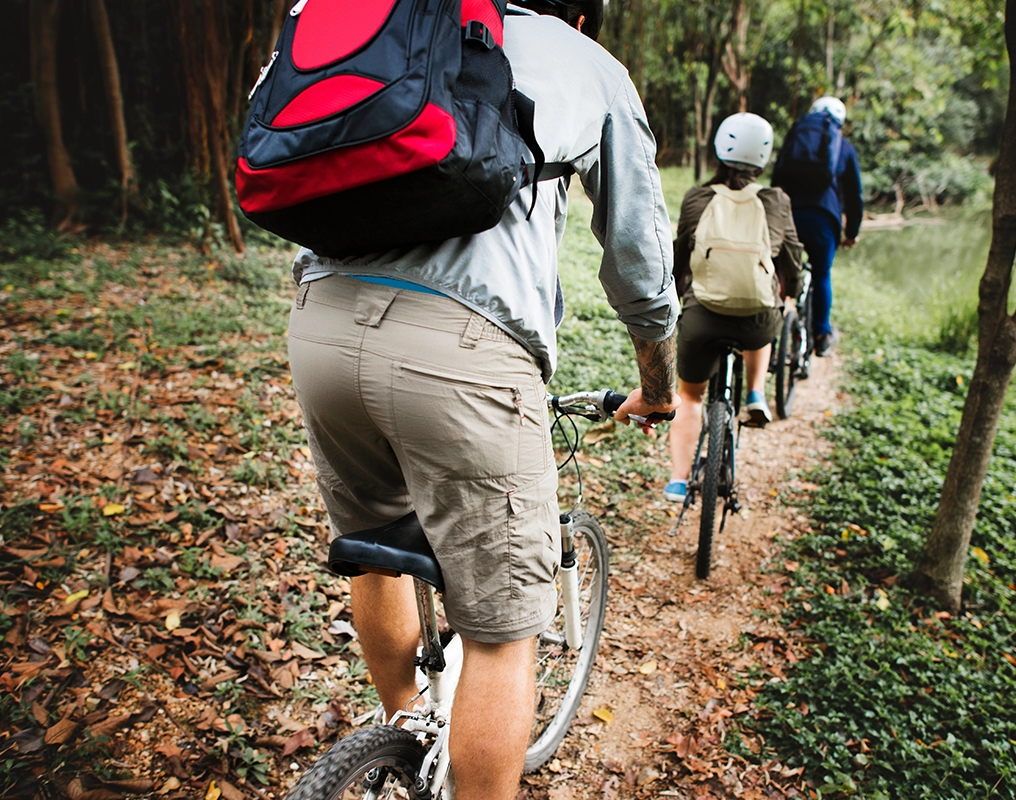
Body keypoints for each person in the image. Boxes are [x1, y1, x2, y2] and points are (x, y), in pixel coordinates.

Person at [285, 3, 680, 799]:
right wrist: (659, 384)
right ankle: (435, 761)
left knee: (373, 545)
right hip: (464, 351)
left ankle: (404, 737)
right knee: (501, 634)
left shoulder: (368, 24)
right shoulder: (583, 60)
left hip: (318, 325)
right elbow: (639, 259)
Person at [663, 112, 804, 504]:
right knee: (765, 312)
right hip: (757, 323)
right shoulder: (776, 201)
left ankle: (677, 479)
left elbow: (680, 256)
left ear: (719, 151)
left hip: (702, 317)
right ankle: (757, 393)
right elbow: (792, 257)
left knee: (690, 398)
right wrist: (789, 291)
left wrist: (676, 299)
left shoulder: (698, 197)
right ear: (763, 159)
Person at [778, 95, 862, 356]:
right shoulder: (844, 148)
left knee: (780, 271)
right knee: (822, 273)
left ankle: (771, 327)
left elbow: (777, 178)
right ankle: (821, 334)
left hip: (788, 215)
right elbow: (854, 197)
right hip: (824, 219)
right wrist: (852, 233)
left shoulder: (795, 141)